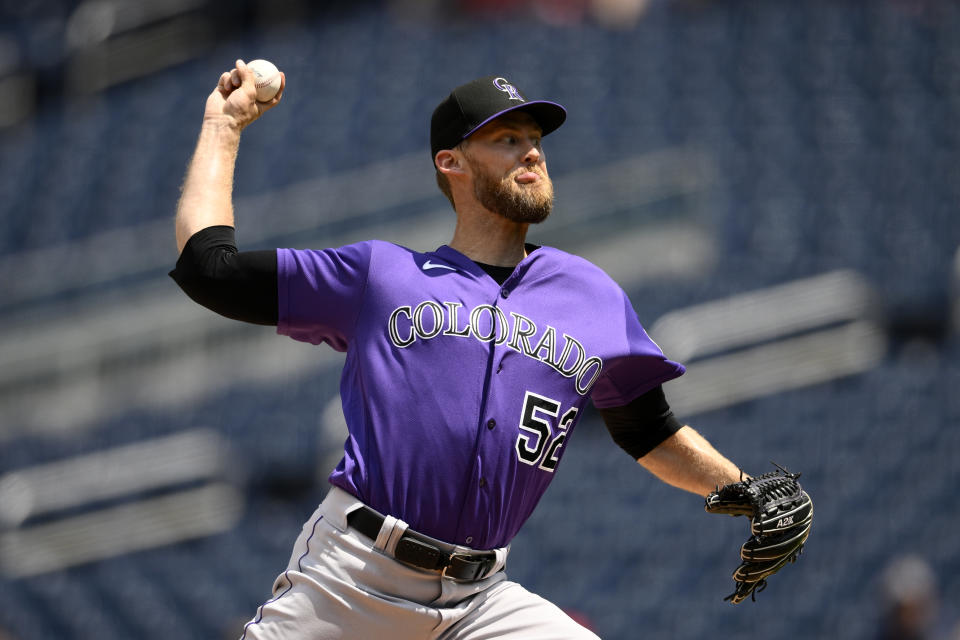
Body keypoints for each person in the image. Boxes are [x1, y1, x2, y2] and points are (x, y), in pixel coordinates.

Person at [171, 60, 746, 639]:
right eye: (506, 139)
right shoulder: (381, 275)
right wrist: (223, 127)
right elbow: (209, 270)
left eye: (535, 140)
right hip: (351, 580)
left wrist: (741, 490)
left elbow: (649, 431)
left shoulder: (590, 295)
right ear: (451, 162)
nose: (532, 153)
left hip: (480, 601)